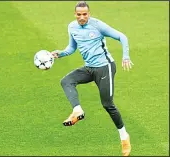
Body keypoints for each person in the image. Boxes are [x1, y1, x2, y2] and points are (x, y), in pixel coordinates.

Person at [51, 1, 133, 156]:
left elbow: (122, 36)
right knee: (66, 81)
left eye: (85, 14)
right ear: (75, 14)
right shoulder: (72, 27)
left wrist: (126, 56)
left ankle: (124, 137)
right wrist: (60, 53)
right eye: (79, 14)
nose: (82, 17)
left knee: (107, 104)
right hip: (89, 68)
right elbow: (72, 48)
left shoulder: (97, 25)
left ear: (89, 13)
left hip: (105, 67)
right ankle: (77, 111)